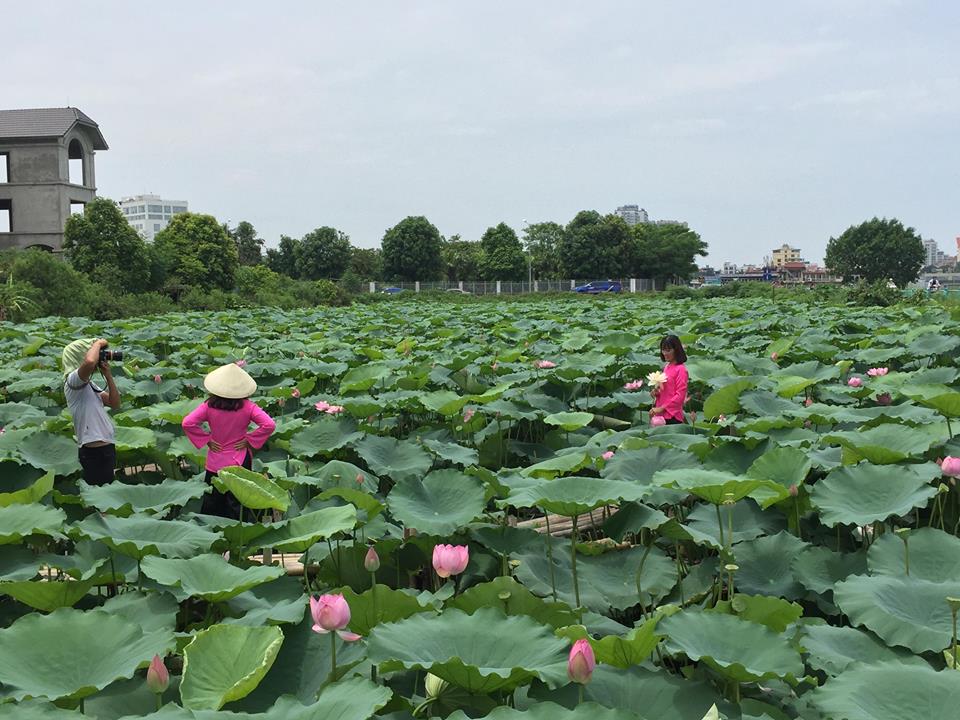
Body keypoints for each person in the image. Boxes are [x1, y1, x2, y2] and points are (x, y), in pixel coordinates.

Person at [182, 362, 276, 519]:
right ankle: (237, 535)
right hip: (239, 459)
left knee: (213, 502)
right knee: (237, 504)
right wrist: (249, 439)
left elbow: (187, 423)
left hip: (215, 460)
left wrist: (207, 440)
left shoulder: (208, 406)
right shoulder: (248, 407)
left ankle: (212, 534)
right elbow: (269, 424)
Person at [62, 338, 121, 486]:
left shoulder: (88, 384)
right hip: (94, 452)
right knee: (102, 502)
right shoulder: (73, 380)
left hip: (106, 448)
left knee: (106, 497)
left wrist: (108, 375)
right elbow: (89, 362)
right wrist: (98, 343)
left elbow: (114, 403)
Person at [650, 334, 689, 425]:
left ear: (676, 350)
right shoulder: (667, 367)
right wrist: (657, 393)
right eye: (663, 350)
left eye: (668, 350)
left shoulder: (681, 369)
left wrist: (662, 408)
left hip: (673, 416)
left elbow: (680, 396)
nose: (665, 353)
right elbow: (666, 391)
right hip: (660, 414)